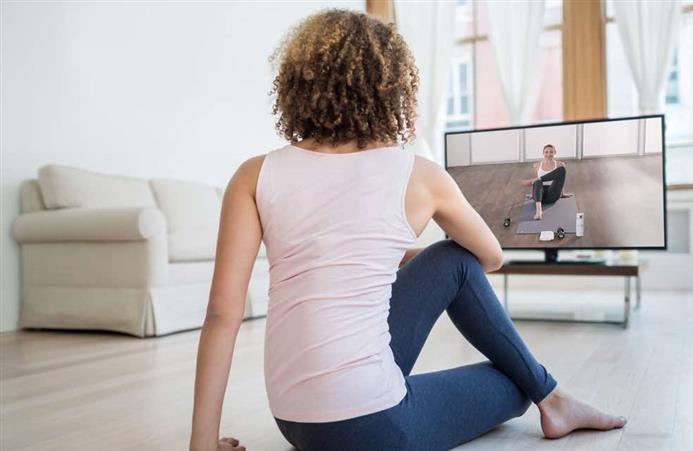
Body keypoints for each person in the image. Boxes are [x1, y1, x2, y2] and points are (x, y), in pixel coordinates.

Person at [189, 9, 625, 451]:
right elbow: (490, 257)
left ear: (298, 87)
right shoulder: (418, 176)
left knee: (447, 266)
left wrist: (202, 444)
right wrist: (403, 254)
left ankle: (553, 398)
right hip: (375, 429)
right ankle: (552, 397)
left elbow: (222, 314)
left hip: (293, 420)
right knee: (510, 375)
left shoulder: (254, 175)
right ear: (391, 88)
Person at [520, 144, 574, 221]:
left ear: (555, 153)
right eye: (546, 152)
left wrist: (562, 194)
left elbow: (561, 181)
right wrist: (534, 195)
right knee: (537, 181)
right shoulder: (536, 165)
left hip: (552, 194)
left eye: (551, 152)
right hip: (540, 197)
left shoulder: (560, 164)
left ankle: (535, 180)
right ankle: (539, 211)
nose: (549, 154)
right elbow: (537, 185)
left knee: (561, 170)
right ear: (543, 153)